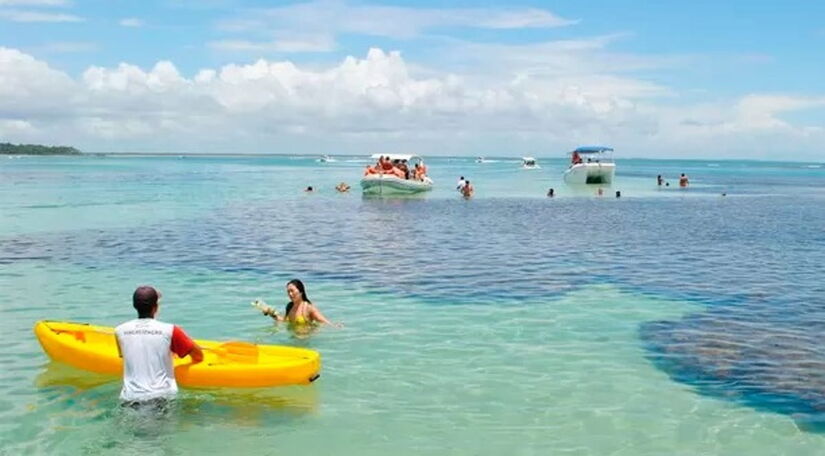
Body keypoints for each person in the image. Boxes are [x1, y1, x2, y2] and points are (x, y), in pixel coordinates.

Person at [115, 286, 203, 404]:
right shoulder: (170, 330)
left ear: (134, 306)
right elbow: (198, 356)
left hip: (129, 398)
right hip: (161, 399)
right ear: (156, 307)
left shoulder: (119, 331)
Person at [260, 279, 340, 327]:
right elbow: (284, 321)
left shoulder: (308, 307)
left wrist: (334, 326)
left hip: (305, 341)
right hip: (291, 339)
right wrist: (271, 314)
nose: (290, 294)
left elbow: (323, 321)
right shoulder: (289, 306)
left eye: (292, 291)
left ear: (301, 291)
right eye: (288, 292)